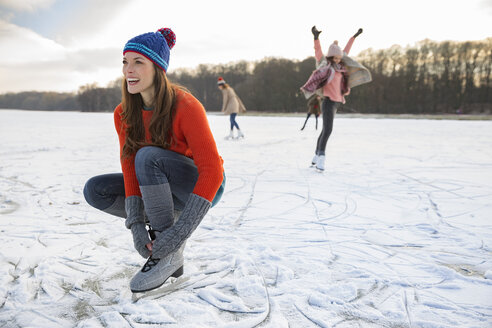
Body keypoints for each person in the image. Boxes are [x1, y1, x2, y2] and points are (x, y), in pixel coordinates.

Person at [83, 27, 225, 293]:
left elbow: (212, 172)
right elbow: (129, 171)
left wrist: (177, 234)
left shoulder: (185, 105)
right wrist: (136, 224)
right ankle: (167, 245)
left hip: (198, 185)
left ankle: (166, 255)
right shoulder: (123, 113)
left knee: (148, 157)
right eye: (125, 62)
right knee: (95, 190)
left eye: (138, 62)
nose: (129, 70)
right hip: (155, 184)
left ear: (158, 69)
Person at [301, 26, 370, 172]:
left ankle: (315, 157)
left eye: (339, 58)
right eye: (335, 57)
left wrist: (354, 37)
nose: (338, 59)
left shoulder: (341, 67)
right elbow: (318, 52)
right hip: (327, 101)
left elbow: (346, 49)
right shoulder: (325, 65)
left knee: (325, 130)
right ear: (330, 57)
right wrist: (316, 38)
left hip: (337, 102)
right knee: (328, 130)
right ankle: (321, 158)